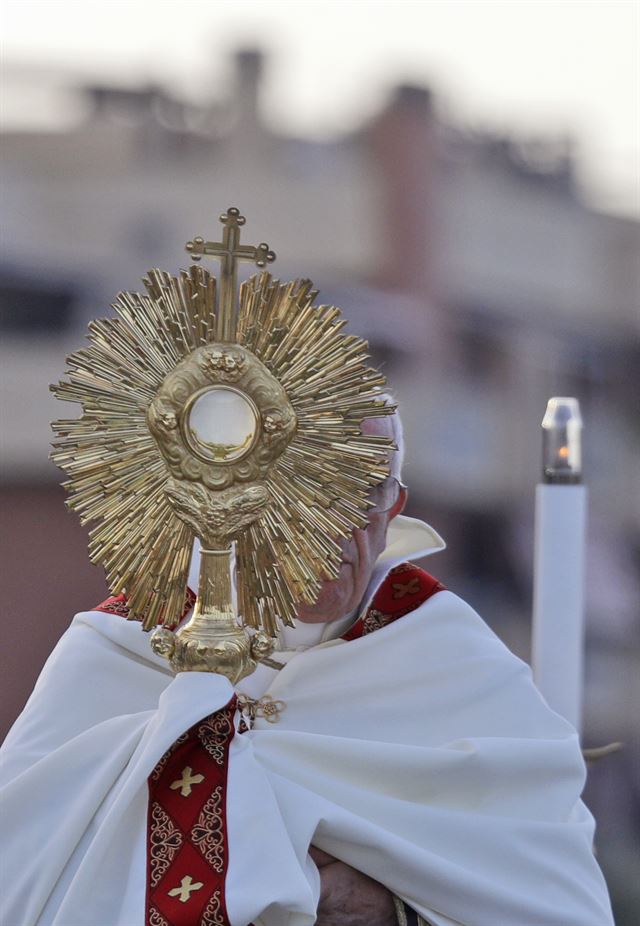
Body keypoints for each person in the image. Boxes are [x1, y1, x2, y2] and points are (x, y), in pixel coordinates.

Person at [1, 411, 613, 926]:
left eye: (364, 493)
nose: (338, 528)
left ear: (394, 504)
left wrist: (389, 909)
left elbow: (554, 903)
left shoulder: (453, 659)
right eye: (309, 492)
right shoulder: (122, 647)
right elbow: (24, 870)